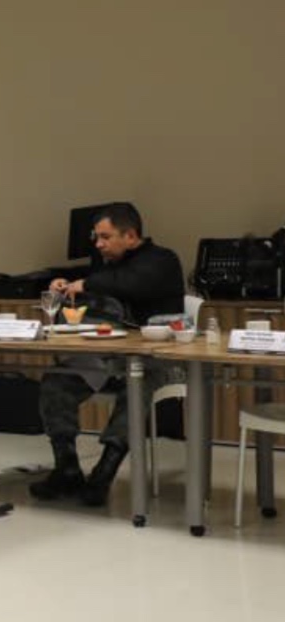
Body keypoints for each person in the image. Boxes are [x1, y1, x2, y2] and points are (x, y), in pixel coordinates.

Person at [31, 202, 185, 506]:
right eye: (96, 237)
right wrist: (65, 284)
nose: (98, 244)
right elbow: (100, 285)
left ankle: (104, 472)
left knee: (135, 384)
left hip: (159, 360)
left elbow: (132, 284)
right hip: (109, 357)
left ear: (131, 236)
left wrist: (86, 283)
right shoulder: (107, 264)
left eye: (105, 237)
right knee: (56, 382)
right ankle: (67, 468)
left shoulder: (162, 260)